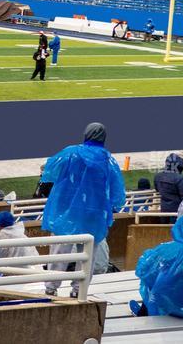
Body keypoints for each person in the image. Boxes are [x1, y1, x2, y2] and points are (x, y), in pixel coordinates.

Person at [41, 122, 126, 297]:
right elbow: (118, 194)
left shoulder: (71, 153)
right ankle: (78, 291)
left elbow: (49, 170)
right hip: (93, 214)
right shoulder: (108, 160)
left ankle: (51, 288)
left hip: (67, 213)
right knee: (88, 255)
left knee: (59, 251)